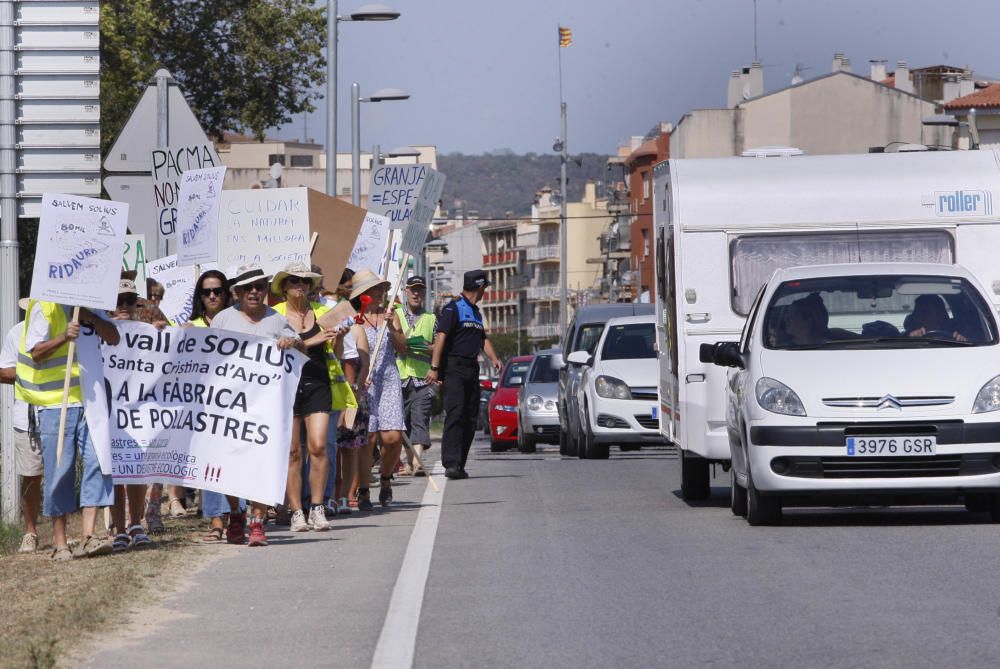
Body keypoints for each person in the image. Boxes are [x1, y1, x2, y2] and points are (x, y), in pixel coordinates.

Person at [16, 298, 120, 560]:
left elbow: (114, 336)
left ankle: (88, 536)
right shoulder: (45, 306)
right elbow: (36, 353)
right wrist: (64, 336)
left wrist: (90, 317)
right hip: (55, 404)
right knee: (59, 468)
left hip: (91, 400)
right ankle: (60, 543)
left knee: (98, 461)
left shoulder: (91, 303)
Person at [210, 264, 303, 546]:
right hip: (229, 406)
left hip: (265, 406)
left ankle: (258, 521)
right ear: (236, 292)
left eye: (260, 287)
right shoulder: (223, 320)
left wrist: (292, 342)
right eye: (248, 287)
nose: (254, 292)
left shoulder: (276, 320)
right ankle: (236, 513)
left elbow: (300, 346)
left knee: (262, 462)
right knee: (230, 465)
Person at [271, 261, 352, 532]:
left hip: (318, 380)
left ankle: (317, 507)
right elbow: (270, 353)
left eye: (305, 281)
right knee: (293, 452)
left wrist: (339, 338)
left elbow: (336, 354)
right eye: (294, 280)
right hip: (286, 385)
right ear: (283, 287)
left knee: (318, 446)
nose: (300, 285)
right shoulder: (274, 315)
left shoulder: (323, 311)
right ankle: (296, 511)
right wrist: (307, 342)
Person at [184, 269, 248, 544]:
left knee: (236, 458)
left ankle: (239, 515)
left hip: (237, 398)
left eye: (217, 290)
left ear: (227, 293)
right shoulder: (191, 325)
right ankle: (215, 520)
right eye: (206, 291)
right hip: (204, 403)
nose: (212, 295)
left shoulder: (240, 322)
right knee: (210, 461)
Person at [426, 269, 502, 480]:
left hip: (471, 368)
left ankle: (460, 463)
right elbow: (441, 338)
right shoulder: (453, 309)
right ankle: (450, 463)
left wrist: (494, 359)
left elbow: (482, 338)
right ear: (479, 287)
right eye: (485, 287)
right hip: (454, 367)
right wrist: (434, 367)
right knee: (456, 413)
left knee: (469, 417)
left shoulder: (476, 312)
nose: (486, 290)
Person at [350, 270, 408, 507]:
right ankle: (364, 489)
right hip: (365, 380)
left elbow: (404, 348)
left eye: (381, 289)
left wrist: (392, 327)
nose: (380, 293)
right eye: (375, 290)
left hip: (389, 379)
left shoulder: (390, 316)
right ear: (363, 295)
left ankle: (385, 477)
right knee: (368, 437)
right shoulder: (354, 318)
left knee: (393, 437)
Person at [108, 276, 155, 552]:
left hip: (139, 409)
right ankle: (119, 528)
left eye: (130, 301)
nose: (124, 306)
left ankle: (136, 523)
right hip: (110, 409)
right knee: (115, 471)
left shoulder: (148, 331)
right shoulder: (98, 330)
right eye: (118, 301)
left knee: (136, 468)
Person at [0, 299, 42, 553]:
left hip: (61, 411)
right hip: (27, 417)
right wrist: (28, 370)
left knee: (64, 472)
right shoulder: (17, 333)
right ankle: (30, 532)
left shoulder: (63, 332)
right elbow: (3, 371)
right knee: (31, 476)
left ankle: (70, 529)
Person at [394, 276, 436, 477]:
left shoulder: (432, 319)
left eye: (420, 290)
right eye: (413, 289)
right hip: (399, 377)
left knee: (420, 419)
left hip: (422, 378)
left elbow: (440, 347)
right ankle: (410, 463)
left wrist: (428, 349)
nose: (416, 293)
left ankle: (418, 463)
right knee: (402, 422)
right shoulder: (394, 315)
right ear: (405, 291)